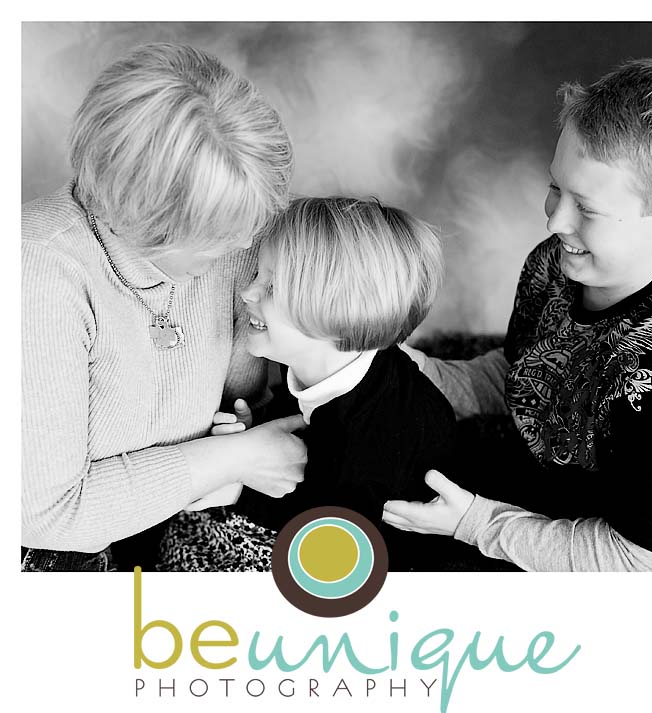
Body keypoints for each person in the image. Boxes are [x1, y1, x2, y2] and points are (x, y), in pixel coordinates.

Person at [383, 58, 652, 572]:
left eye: (587, 208)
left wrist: (477, 523)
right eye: (556, 187)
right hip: (531, 491)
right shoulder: (555, 264)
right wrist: (415, 371)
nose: (555, 220)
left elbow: (646, 564)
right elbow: (525, 374)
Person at [21, 42, 308, 572]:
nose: (245, 242)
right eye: (215, 232)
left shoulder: (237, 240)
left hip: (186, 519)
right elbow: (44, 515)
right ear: (137, 212)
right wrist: (233, 458)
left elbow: (258, 403)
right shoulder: (36, 269)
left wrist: (236, 449)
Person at [157, 197, 457, 571]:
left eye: (271, 287)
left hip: (384, 547)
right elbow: (308, 429)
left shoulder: (374, 437)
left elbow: (332, 528)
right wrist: (257, 431)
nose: (248, 292)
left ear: (335, 313)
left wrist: (240, 490)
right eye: (258, 275)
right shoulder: (323, 363)